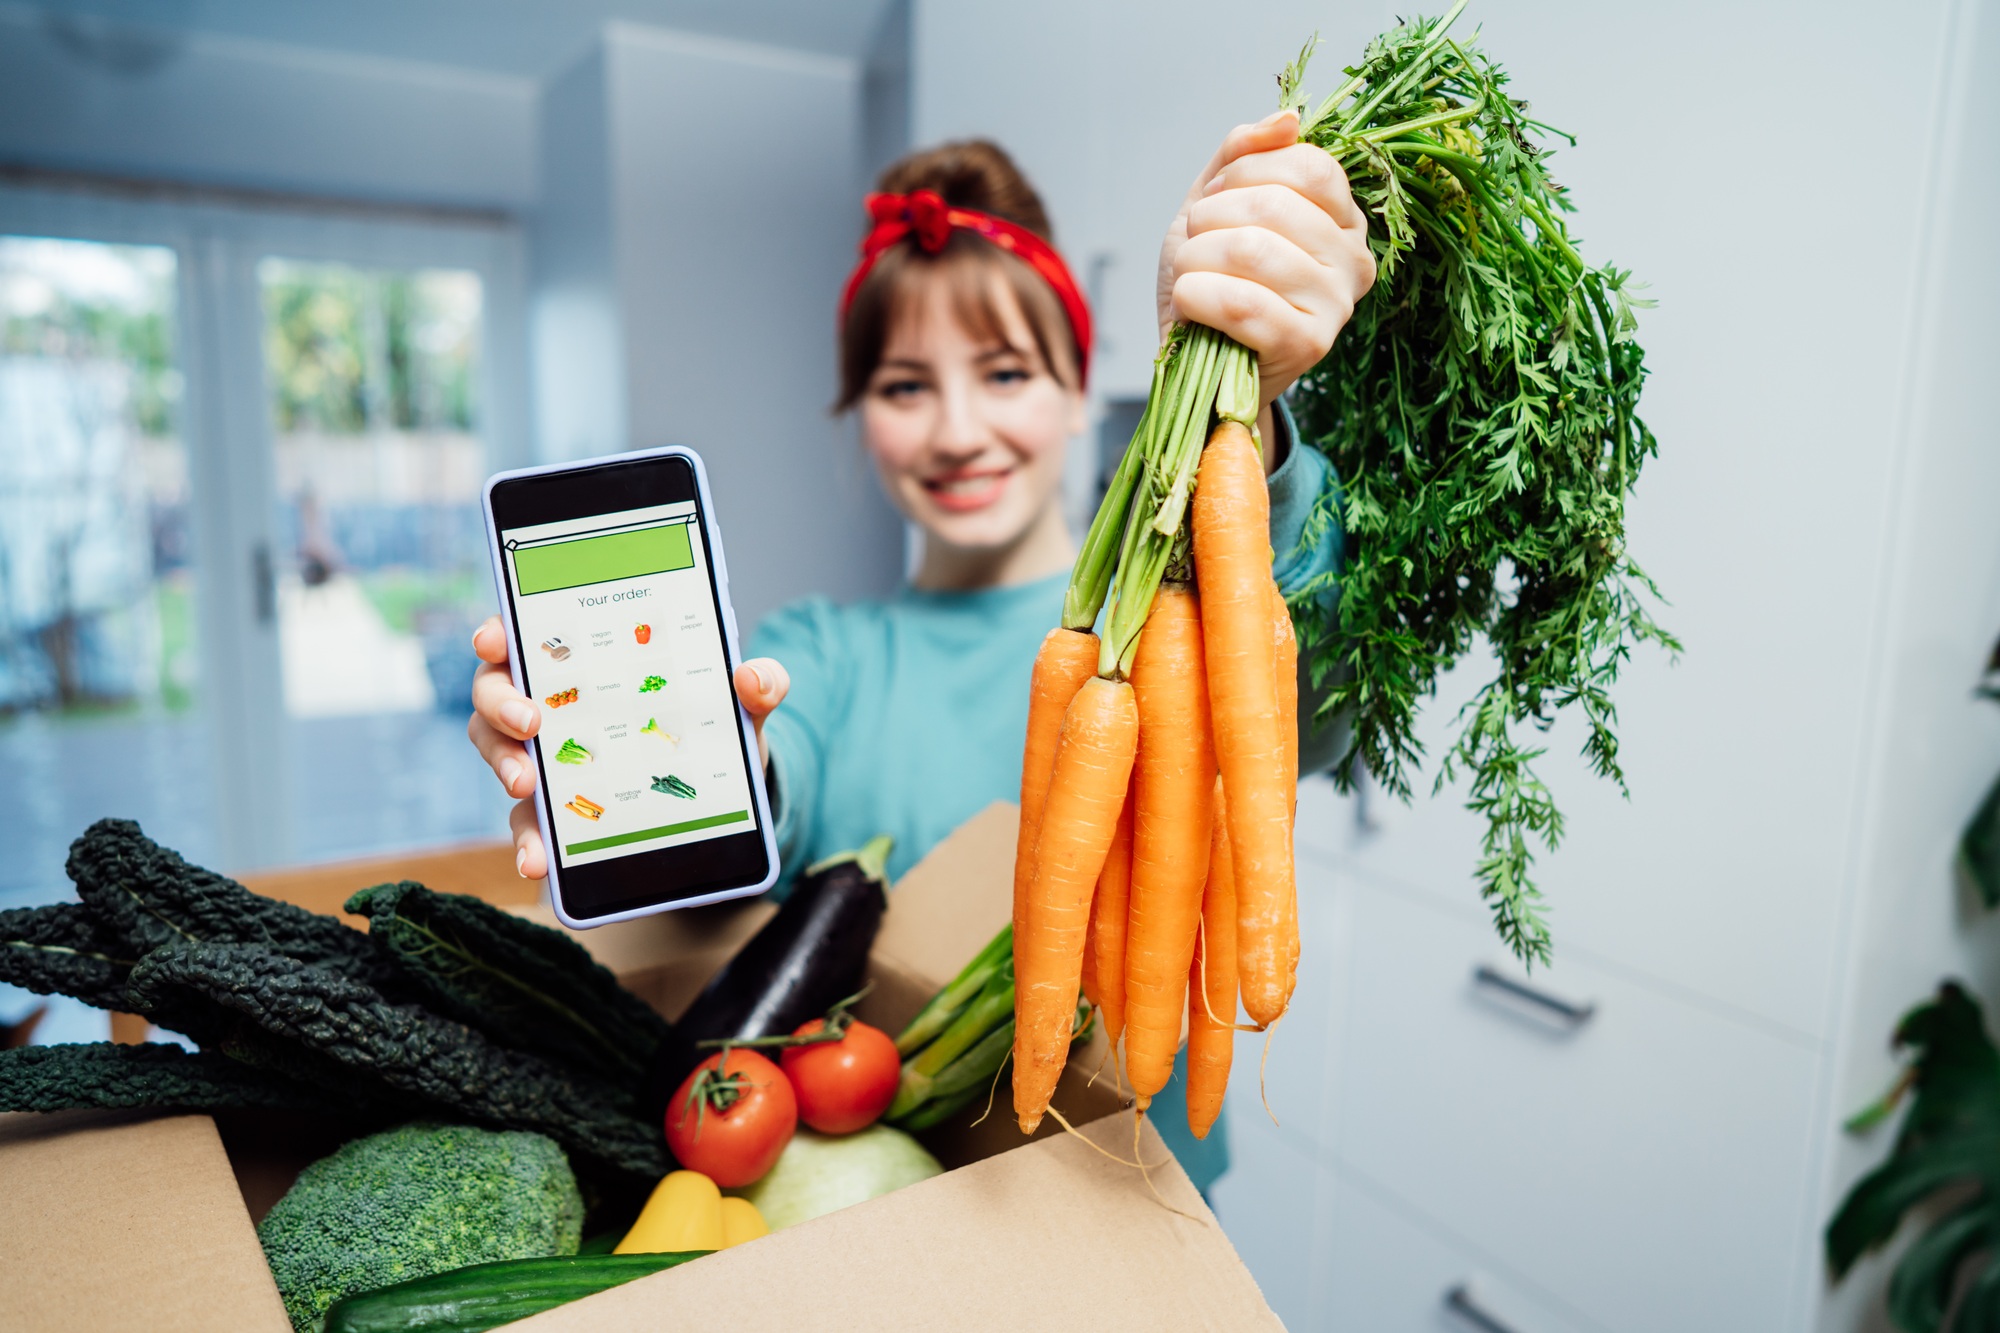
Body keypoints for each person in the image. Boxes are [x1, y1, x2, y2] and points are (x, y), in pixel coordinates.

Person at [466, 111, 1376, 1194]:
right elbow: (760, 787)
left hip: (1142, 1193)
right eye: (904, 386)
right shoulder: (822, 651)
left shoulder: (1171, 616)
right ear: (859, 416)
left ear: (1083, 388)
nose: (953, 429)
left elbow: (1305, 709)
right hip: (905, 1216)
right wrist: (654, 767)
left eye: (1003, 373)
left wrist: (1246, 408)